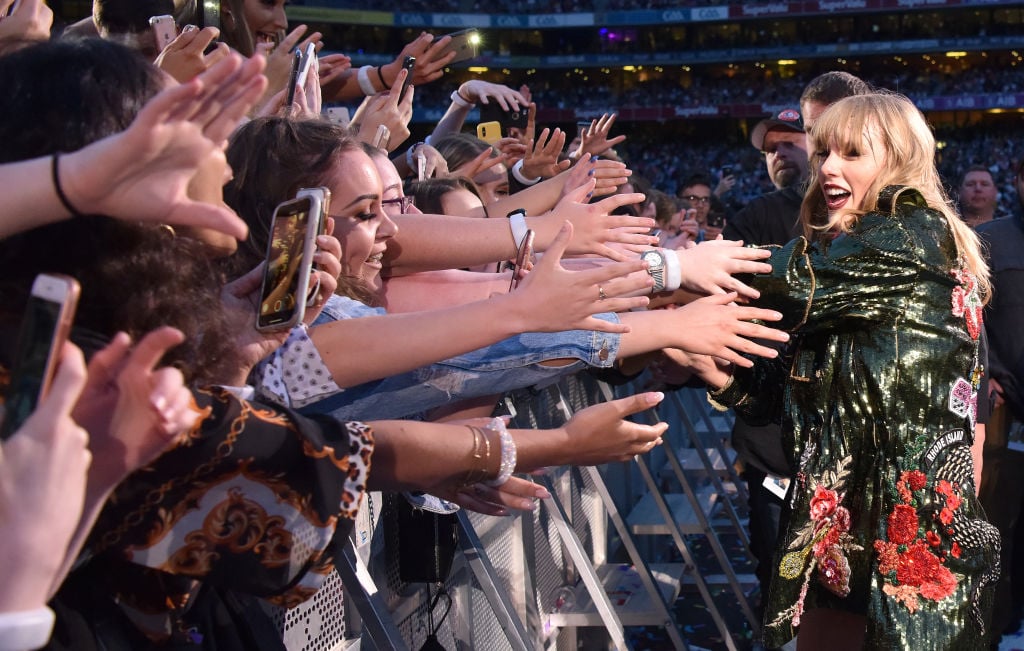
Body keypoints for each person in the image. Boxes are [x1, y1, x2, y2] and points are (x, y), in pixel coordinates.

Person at [699, 92, 999, 649]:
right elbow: (783, 394)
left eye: (852, 153)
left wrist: (671, 266)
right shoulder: (855, 260)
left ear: (900, 159)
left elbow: (786, 280)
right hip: (850, 523)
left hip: (906, 530)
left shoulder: (910, 233)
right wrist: (705, 361)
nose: (829, 168)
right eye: (822, 153)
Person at [720, 107, 809, 618]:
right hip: (771, 427)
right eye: (769, 150)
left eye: (788, 144)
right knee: (776, 564)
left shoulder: (868, 216)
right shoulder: (753, 218)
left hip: (848, 420)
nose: (777, 155)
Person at [975, 157, 1024, 643]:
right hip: (1006, 408)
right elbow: (972, 315)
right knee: (997, 527)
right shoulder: (992, 239)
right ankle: (993, 627)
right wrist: (986, 374)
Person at [959, 164, 1002, 229]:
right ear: (959, 191)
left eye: (984, 184)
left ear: (995, 191)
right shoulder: (945, 227)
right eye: (970, 184)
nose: (978, 189)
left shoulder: (1011, 229)